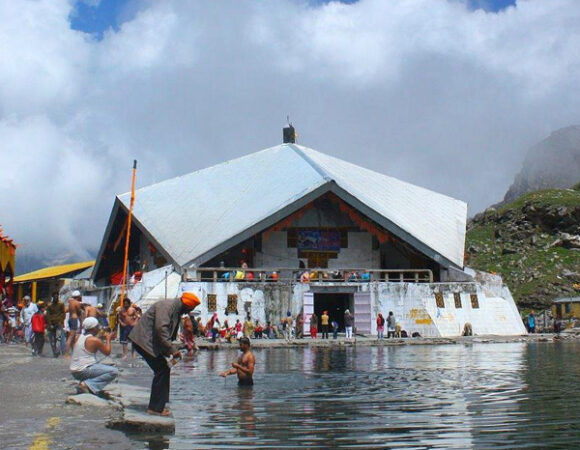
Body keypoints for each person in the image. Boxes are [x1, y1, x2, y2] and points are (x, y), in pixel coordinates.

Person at [129, 292, 201, 416]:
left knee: (163, 369)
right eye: (189, 309)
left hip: (148, 342)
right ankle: (155, 408)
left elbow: (166, 333)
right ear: (186, 305)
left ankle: (159, 405)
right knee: (162, 369)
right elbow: (161, 330)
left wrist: (170, 350)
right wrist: (172, 350)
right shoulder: (167, 307)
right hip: (143, 341)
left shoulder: (175, 309)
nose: (187, 312)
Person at [70, 317, 118, 395]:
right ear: (94, 328)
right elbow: (107, 352)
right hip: (83, 371)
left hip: (75, 371)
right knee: (113, 371)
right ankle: (87, 385)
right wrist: (108, 339)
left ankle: (86, 384)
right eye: (98, 327)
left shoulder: (78, 337)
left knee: (99, 364)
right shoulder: (94, 340)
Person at [64, 290, 82, 356]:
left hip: (70, 319)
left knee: (73, 337)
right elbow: (79, 312)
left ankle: (73, 353)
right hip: (74, 319)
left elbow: (67, 310)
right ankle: (67, 353)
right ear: (78, 296)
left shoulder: (70, 303)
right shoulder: (77, 303)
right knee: (71, 337)